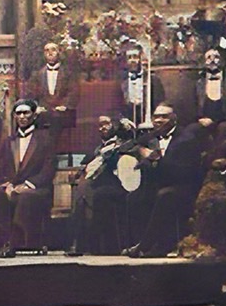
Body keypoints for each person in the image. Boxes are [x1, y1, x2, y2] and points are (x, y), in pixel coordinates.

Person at [124, 104, 206, 258]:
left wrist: (157, 159)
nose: (158, 120)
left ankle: (148, 245)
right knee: (134, 197)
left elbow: (184, 172)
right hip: (159, 183)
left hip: (183, 186)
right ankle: (139, 242)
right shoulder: (151, 137)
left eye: (164, 116)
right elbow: (133, 146)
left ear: (174, 119)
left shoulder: (187, 139)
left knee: (164, 196)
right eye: (156, 117)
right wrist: (139, 153)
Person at [0, 100, 56, 258]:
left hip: (38, 188)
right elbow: (0, 166)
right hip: (13, 186)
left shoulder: (45, 138)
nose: (22, 117)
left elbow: (49, 169)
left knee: (24, 196)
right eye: (18, 113)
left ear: (33, 115)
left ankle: (14, 242)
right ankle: (4, 239)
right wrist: (7, 184)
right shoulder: (9, 141)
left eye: (26, 113)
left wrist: (29, 184)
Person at [66, 116, 134, 257]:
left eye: (106, 124)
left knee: (86, 192)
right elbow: (87, 164)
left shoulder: (123, 145)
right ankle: (79, 242)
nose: (102, 128)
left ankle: (80, 244)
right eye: (100, 125)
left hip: (117, 184)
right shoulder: (98, 148)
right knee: (82, 193)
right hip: (97, 183)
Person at [24, 41, 79, 134]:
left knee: (58, 120)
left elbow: (73, 91)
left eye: (53, 50)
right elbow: (31, 93)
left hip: (63, 111)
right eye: (47, 51)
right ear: (44, 54)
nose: (50, 53)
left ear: (59, 53)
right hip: (44, 110)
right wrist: (36, 107)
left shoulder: (68, 73)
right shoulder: (37, 75)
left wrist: (65, 105)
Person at [120, 43, 165, 128]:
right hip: (128, 124)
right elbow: (117, 106)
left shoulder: (153, 80)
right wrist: (123, 120)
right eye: (129, 58)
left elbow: (161, 103)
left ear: (141, 58)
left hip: (150, 122)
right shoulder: (121, 82)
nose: (132, 60)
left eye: (135, 57)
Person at [193, 48, 226, 128]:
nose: (212, 60)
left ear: (222, 61)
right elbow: (195, 106)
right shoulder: (199, 83)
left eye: (216, 57)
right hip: (204, 121)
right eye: (209, 57)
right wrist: (201, 119)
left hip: (225, 121)